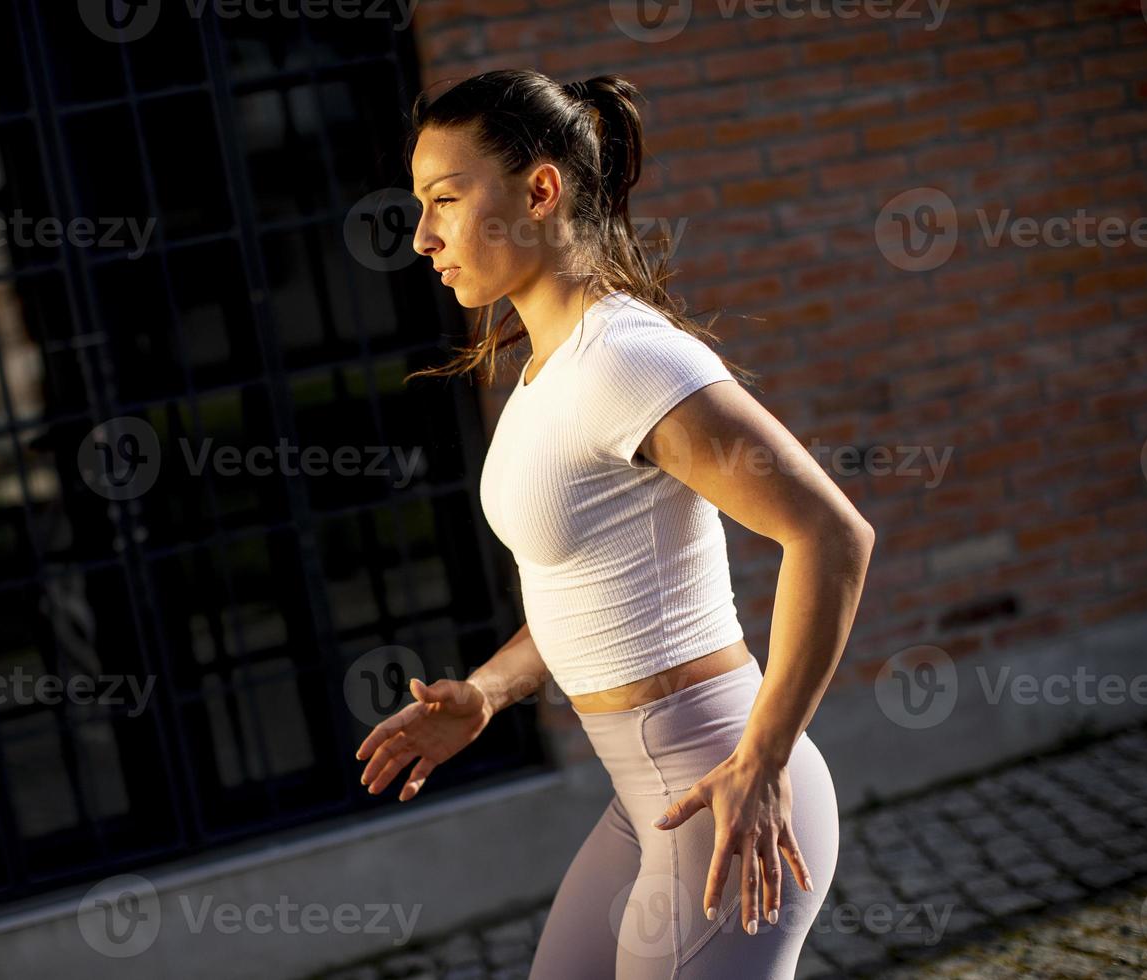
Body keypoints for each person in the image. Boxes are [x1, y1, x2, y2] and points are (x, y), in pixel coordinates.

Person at [354, 69, 874, 978]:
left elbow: (832, 537)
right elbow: (588, 595)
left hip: (722, 794)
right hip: (644, 804)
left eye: (444, 199)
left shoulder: (628, 358)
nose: (423, 236)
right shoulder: (543, 372)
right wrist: (490, 690)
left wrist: (762, 761)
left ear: (540, 189)